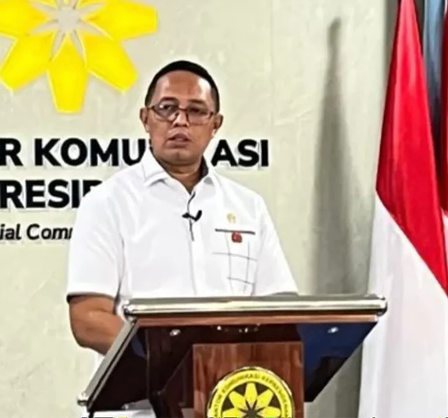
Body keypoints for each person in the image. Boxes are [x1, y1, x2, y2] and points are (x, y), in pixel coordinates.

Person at [65, 60, 298, 417]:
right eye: (167, 109)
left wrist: (221, 367)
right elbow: (87, 318)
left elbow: (280, 312)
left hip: (230, 404)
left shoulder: (248, 207)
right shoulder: (108, 202)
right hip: (137, 409)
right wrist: (175, 367)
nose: (180, 121)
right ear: (146, 118)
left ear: (215, 124)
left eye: (196, 111)